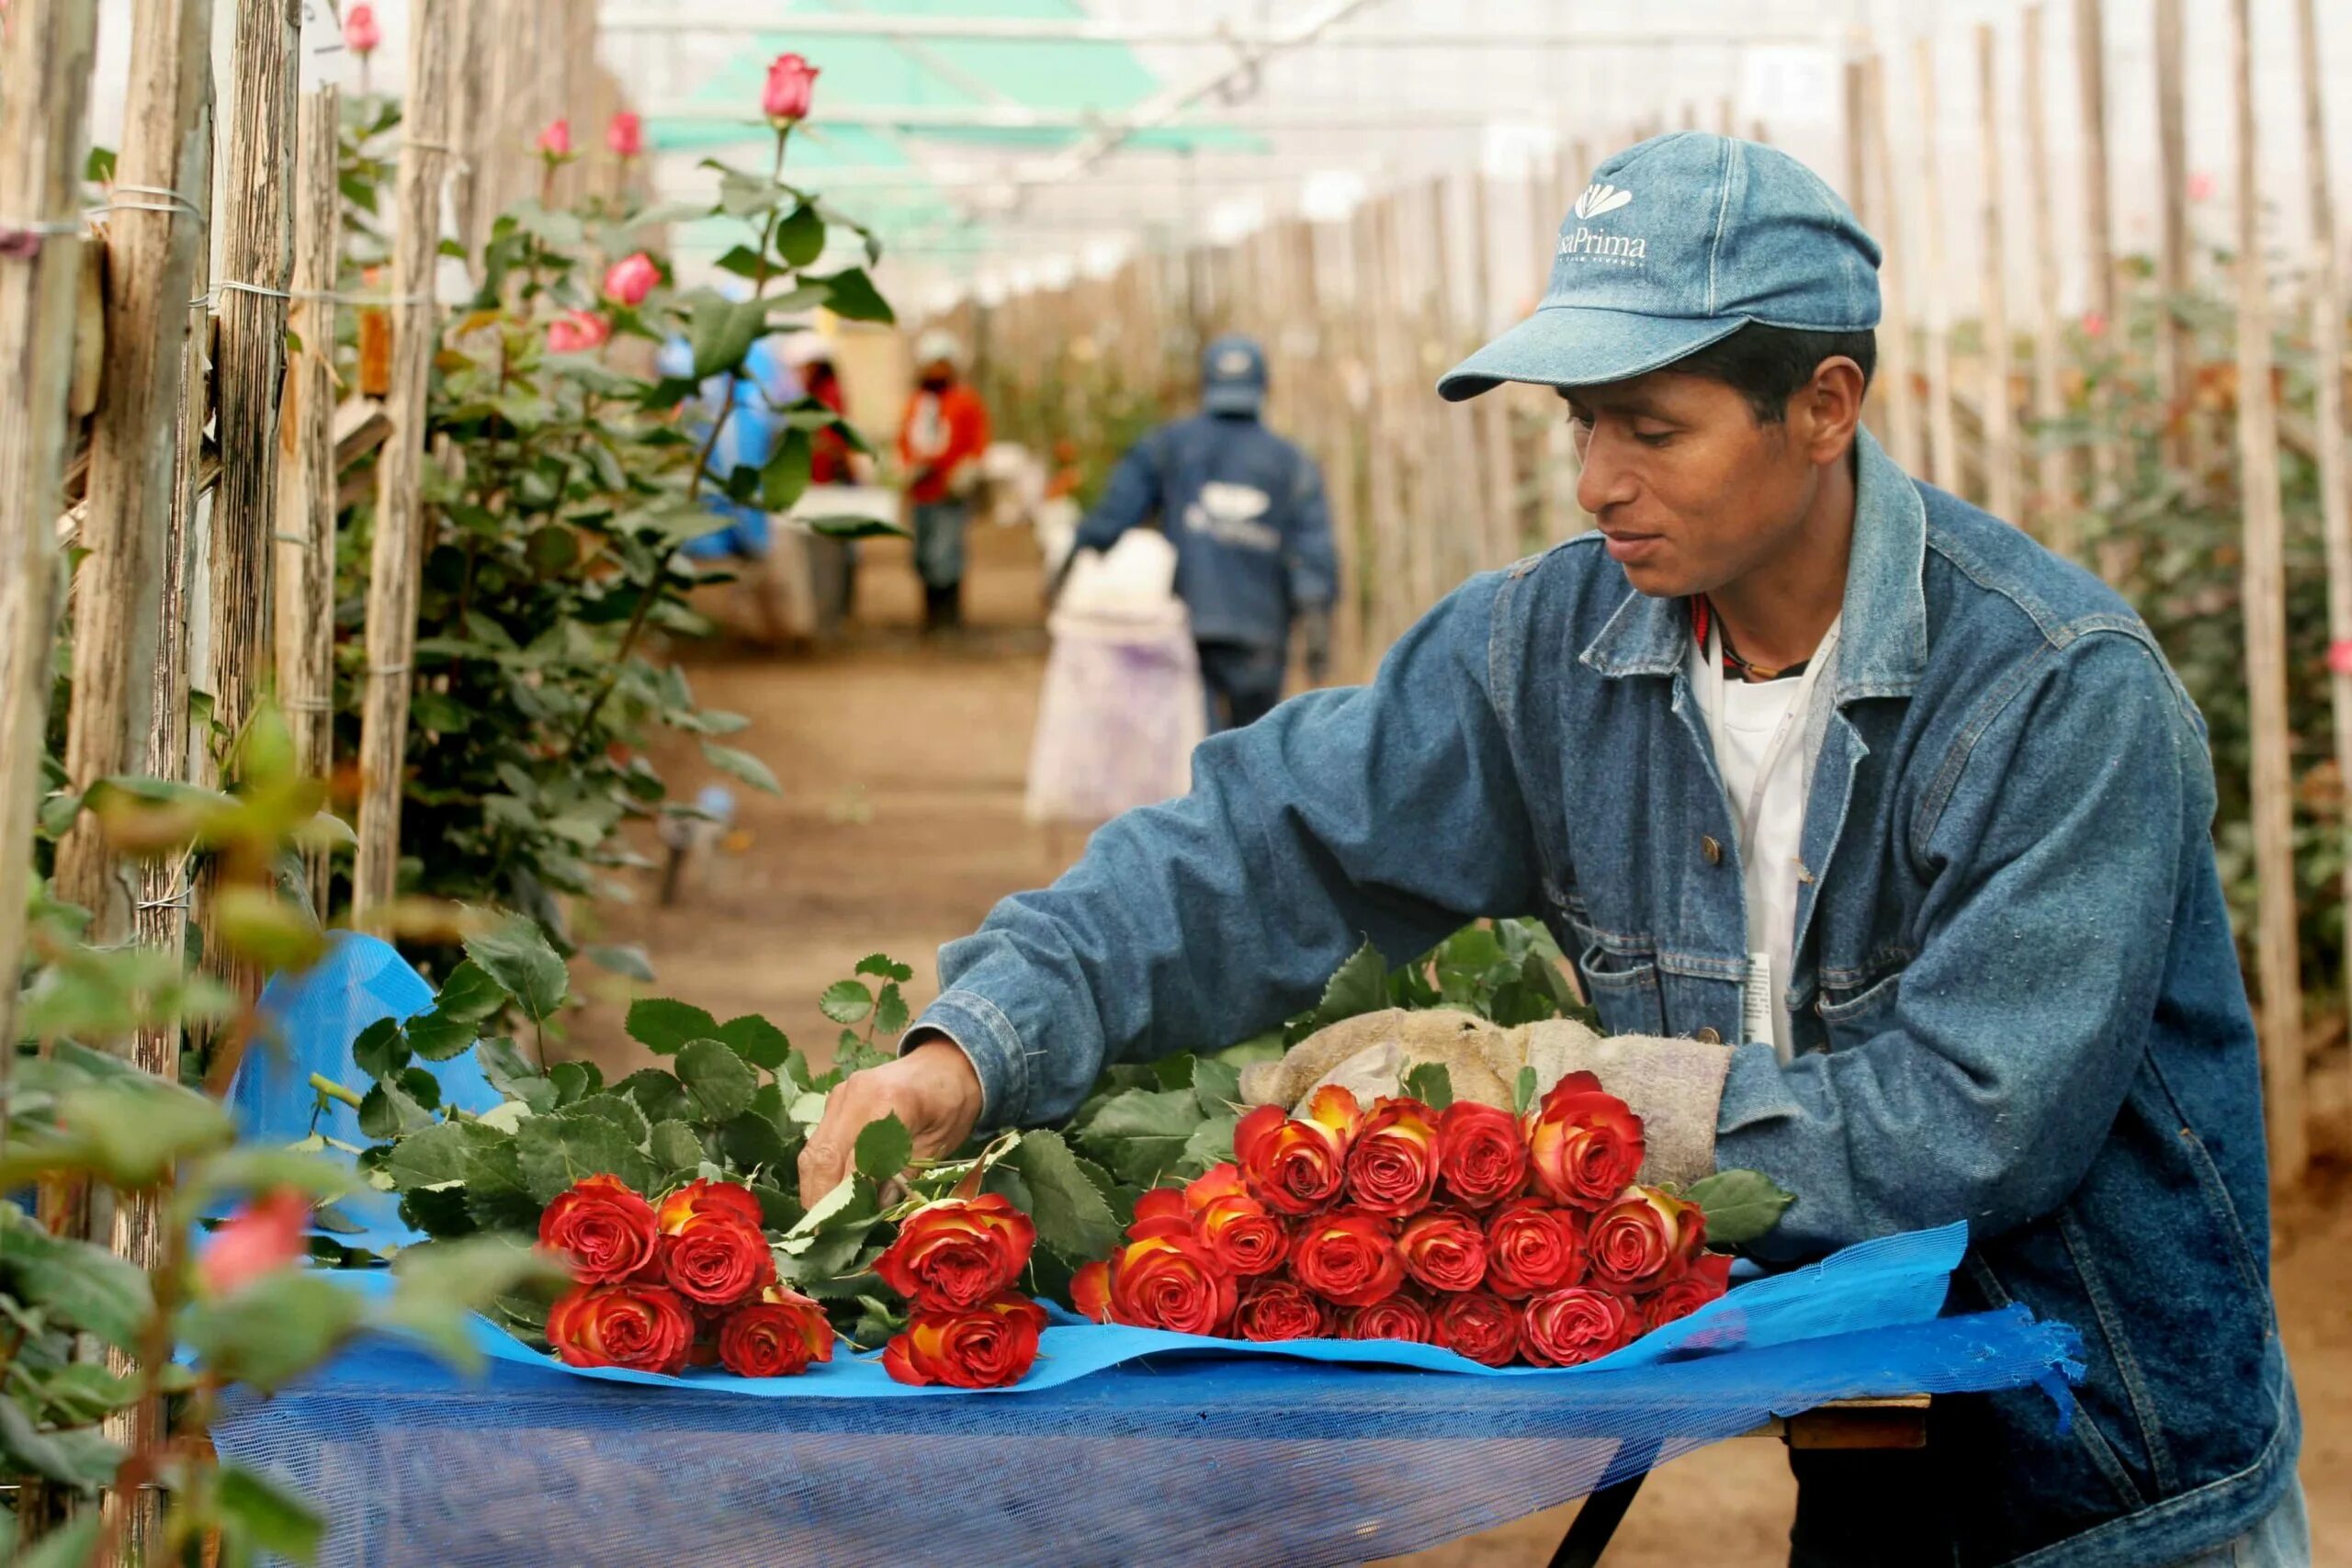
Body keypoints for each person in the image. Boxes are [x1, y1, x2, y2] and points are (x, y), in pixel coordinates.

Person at [801, 133, 2304, 1565]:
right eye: (1581, 421)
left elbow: (1977, 1124)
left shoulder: (2055, 694)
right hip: (1863, 1462)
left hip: (2112, 1493)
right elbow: (1257, 846)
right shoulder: (1551, 652)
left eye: (1652, 427)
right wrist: (972, 1047)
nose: (1595, 478)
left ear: (1827, 404)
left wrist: (1566, 1102)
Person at [1068, 333, 1338, 731]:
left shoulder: (1169, 446)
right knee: (1258, 750)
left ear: (1204, 384)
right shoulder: (1291, 463)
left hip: (1188, 625)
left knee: (1199, 748)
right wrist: (1316, 620)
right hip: (1261, 632)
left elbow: (1117, 511)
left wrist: (1079, 547)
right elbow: (1313, 547)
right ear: (1265, 386)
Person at [897, 328, 992, 632]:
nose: (936, 371)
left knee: (947, 553)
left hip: (949, 492)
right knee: (924, 555)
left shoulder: (965, 402)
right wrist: (906, 468)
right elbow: (904, 440)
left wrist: (967, 470)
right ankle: (929, 615)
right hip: (921, 491)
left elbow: (978, 442)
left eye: (942, 364)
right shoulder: (916, 403)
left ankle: (949, 618)